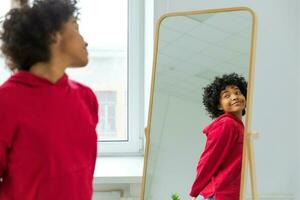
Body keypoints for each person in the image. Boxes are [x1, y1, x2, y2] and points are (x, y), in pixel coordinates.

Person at [0, 0, 99, 199]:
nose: (84, 41)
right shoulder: (6, 102)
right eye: (76, 28)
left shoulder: (86, 97)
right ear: (53, 35)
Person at [189, 73, 247, 200]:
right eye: (227, 95)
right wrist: (195, 191)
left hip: (232, 193)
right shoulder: (227, 124)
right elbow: (209, 159)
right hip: (220, 194)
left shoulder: (240, 127)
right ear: (219, 105)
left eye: (238, 93)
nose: (235, 97)